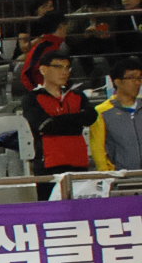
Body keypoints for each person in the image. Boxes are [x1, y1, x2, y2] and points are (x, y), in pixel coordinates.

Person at [20, 51, 95, 194]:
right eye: (58, 67)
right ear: (43, 69)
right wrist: (76, 119)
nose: (64, 72)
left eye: (67, 67)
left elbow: (91, 117)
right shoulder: (32, 98)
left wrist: (58, 120)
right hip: (49, 164)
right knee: (50, 205)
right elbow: (45, 125)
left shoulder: (77, 95)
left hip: (79, 161)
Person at [90, 58, 142, 172]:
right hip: (120, 177)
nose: (137, 83)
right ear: (117, 81)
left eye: (139, 78)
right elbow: (98, 149)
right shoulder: (102, 111)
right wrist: (107, 174)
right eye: (131, 78)